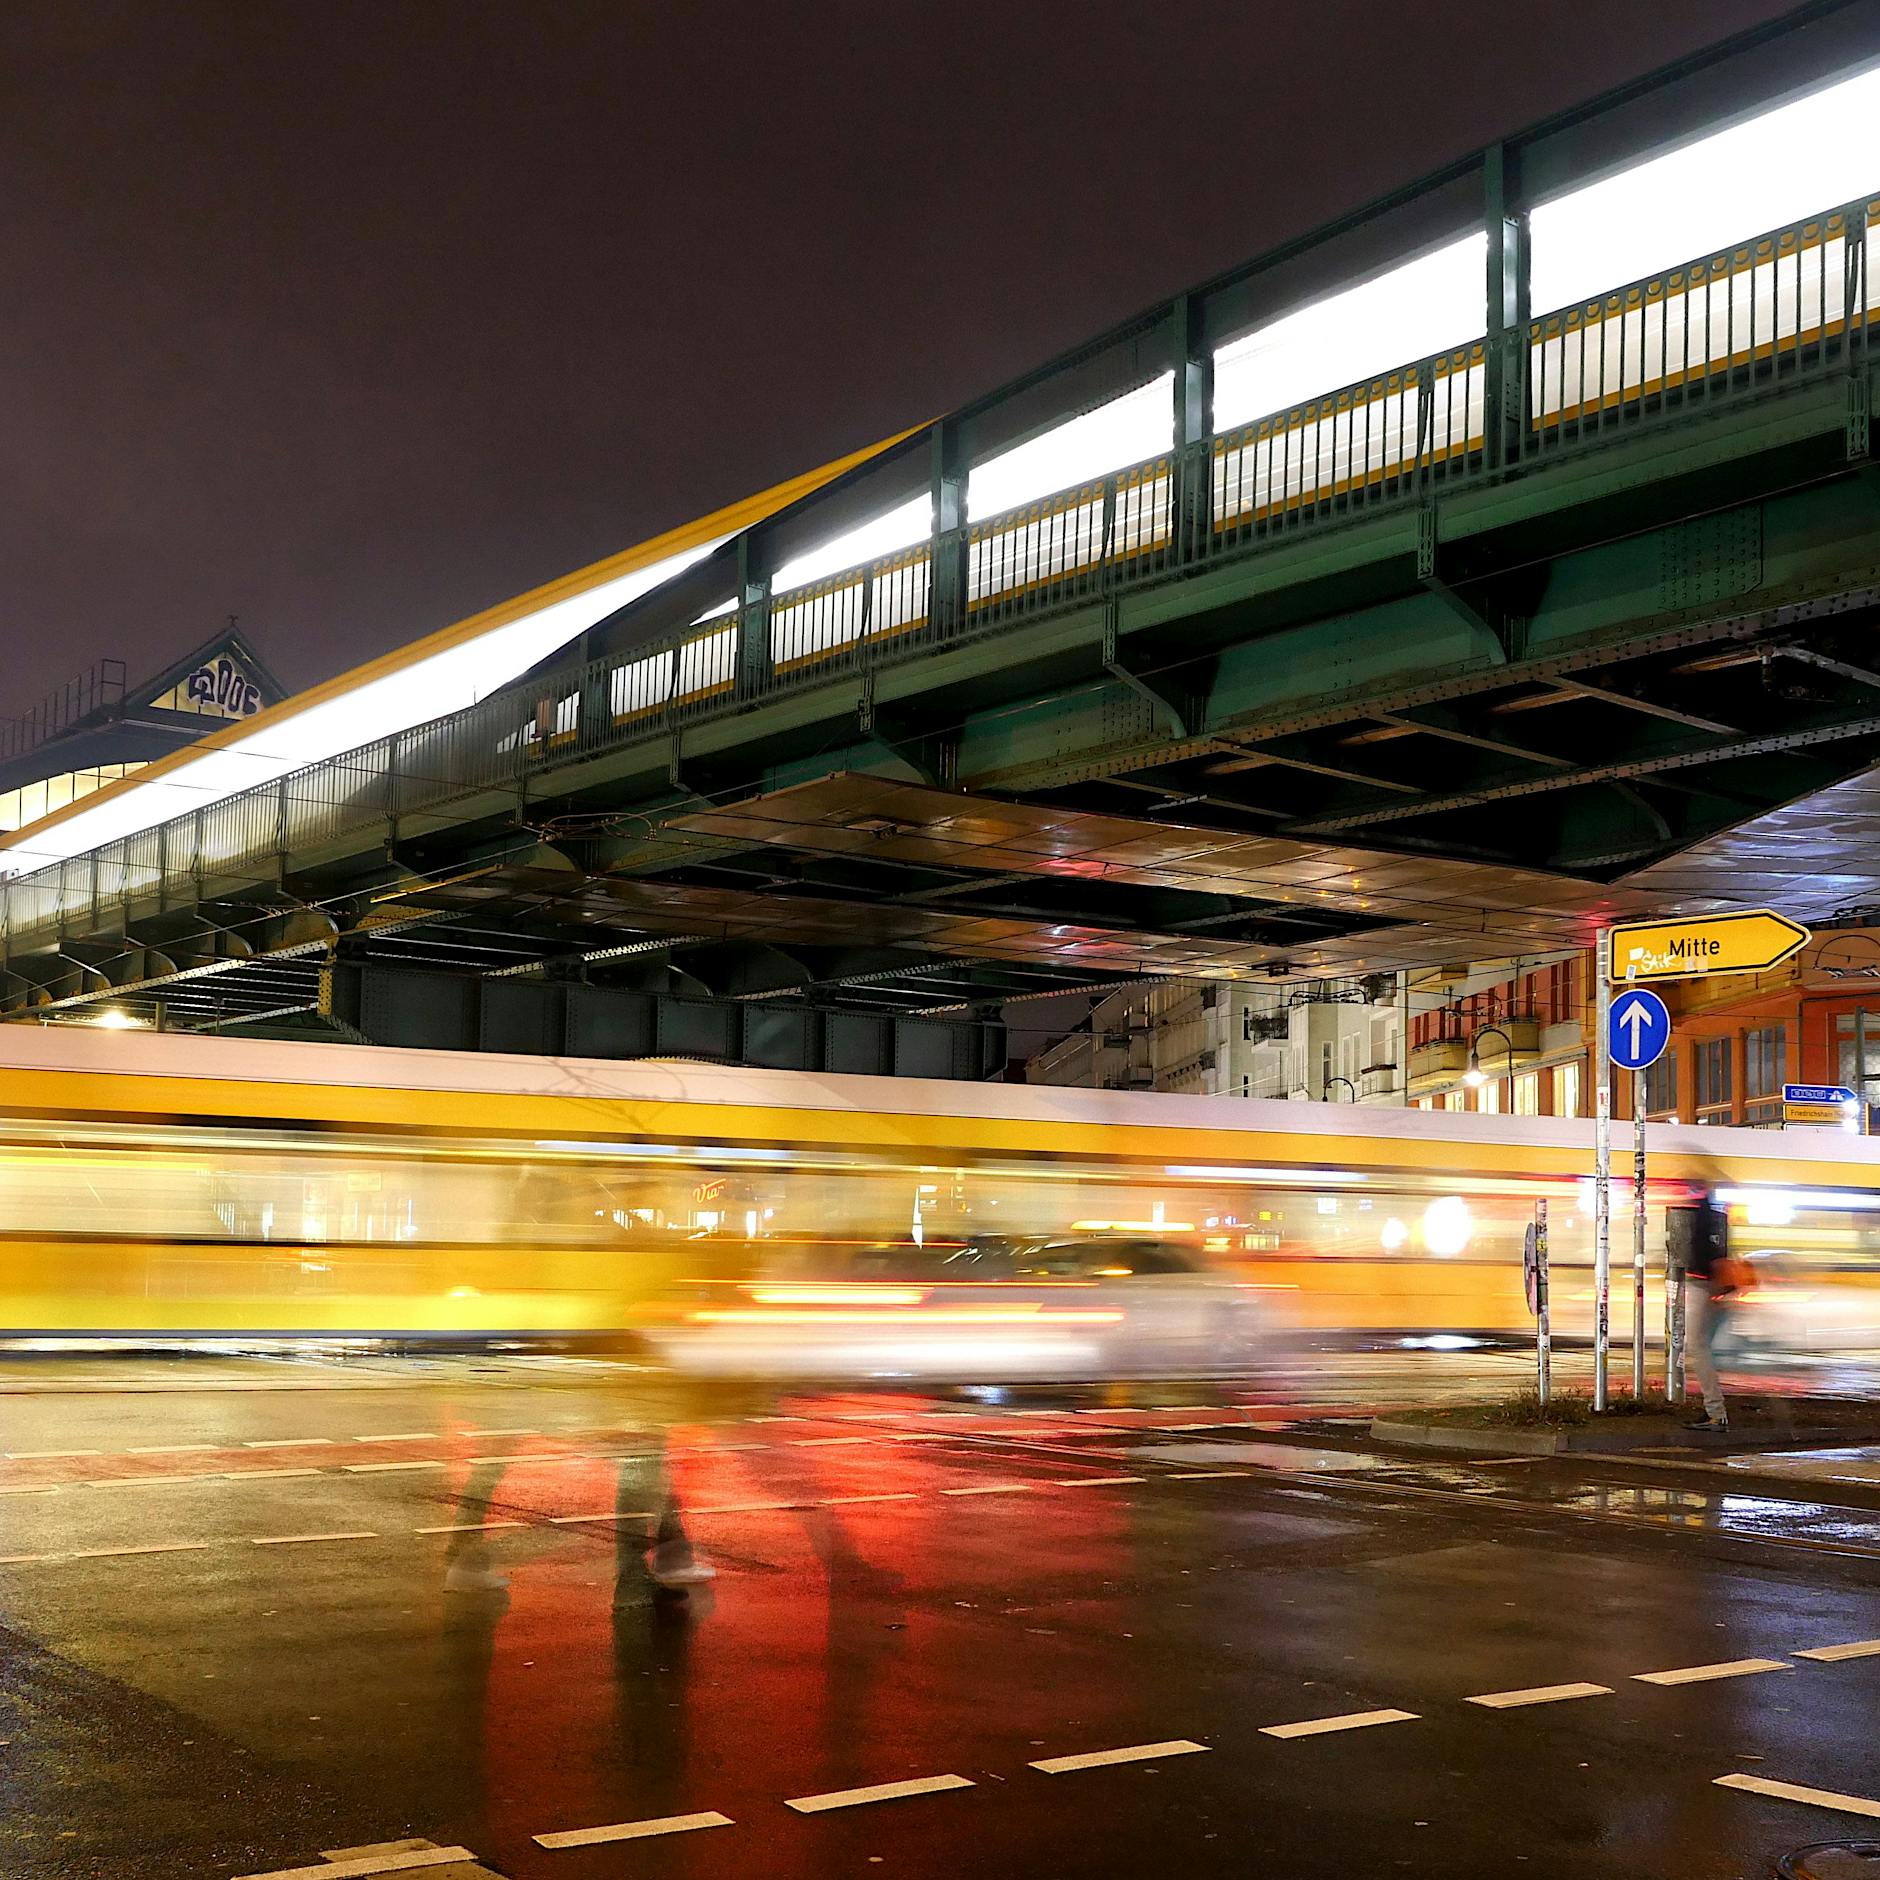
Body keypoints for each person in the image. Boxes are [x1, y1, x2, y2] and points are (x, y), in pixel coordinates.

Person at [1683, 1183, 1734, 1434]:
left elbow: (1706, 1254)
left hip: (1703, 1286)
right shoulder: (1714, 1216)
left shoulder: (1704, 1215)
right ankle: (1714, 1409)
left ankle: (1716, 1413)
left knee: (1698, 1348)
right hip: (1708, 1287)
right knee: (1701, 1348)